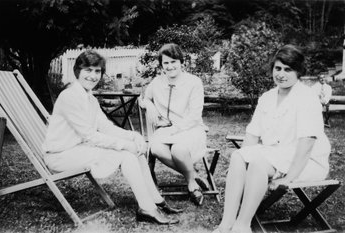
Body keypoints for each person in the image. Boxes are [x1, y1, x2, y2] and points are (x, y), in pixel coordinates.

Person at [42, 50, 181, 225]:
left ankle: (156, 200)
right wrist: (124, 145)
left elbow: (105, 127)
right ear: (77, 71)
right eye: (88, 70)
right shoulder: (70, 96)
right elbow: (90, 136)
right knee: (126, 154)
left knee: (134, 151)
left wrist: (133, 136)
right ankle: (147, 208)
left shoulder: (88, 96)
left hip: (78, 149)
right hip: (61, 155)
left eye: (97, 71)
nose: (93, 76)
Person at [212, 45, 331, 233]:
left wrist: (289, 177)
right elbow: (252, 134)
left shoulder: (307, 97)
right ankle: (226, 223)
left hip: (306, 161)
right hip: (276, 154)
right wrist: (244, 159)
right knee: (238, 156)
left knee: (258, 163)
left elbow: (307, 144)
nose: (281, 74)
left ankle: (242, 225)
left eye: (288, 69)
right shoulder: (267, 97)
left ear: (298, 71)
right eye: (278, 68)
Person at [141, 43, 209, 206]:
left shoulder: (193, 82)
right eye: (166, 63)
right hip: (166, 130)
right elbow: (143, 98)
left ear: (181, 62)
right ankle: (192, 175)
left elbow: (194, 116)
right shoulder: (157, 82)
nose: (170, 66)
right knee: (156, 148)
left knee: (179, 149)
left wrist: (176, 130)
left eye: (174, 62)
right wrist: (148, 104)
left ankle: (191, 185)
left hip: (190, 128)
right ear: (161, 65)